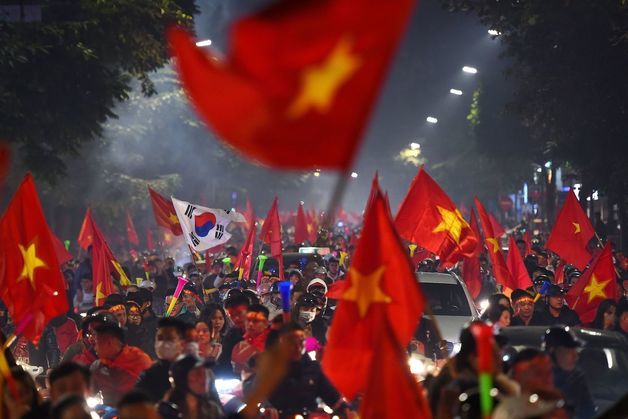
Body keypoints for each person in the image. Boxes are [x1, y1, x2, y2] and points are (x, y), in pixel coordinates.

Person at [267, 322, 351, 417]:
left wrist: (345, 409)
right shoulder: (270, 368)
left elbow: (331, 396)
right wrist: (268, 408)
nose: (297, 347)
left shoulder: (313, 368)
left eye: (301, 342)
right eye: (292, 342)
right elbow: (258, 396)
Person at [90, 321, 152, 405]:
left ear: (109, 342)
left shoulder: (139, 360)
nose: (95, 348)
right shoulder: (97, 366)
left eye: (97, 343)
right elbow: (90, 391)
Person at [543, 326, 595, 419]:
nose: (575, 357)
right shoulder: (535, 380)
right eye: (569, 351)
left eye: (576, 351)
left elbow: (589, 411)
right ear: (552, 351)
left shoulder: (577, 379)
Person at [136, 317, 187, 402]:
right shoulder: (149, 375)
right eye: (160, 338)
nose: (163, 343)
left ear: (182, 343)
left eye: (169, 338)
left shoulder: (193, 372)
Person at [167, 354, 223, 419]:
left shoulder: (212, 409)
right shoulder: (167, 412)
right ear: (182, 379)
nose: (204, 378)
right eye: (198, 373)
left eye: (205, 373)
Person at [231, 304, 270, 376]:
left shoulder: (273, 346)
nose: (250, 324)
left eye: (256, 321)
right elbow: (235, 373)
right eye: (248, 320)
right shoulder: (238, 346)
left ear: (266, 323)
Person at [215, 293, 249, 376]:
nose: (236, 318)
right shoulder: (231, 335)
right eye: (232, 315)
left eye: (239, 313)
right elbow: (224, 360)